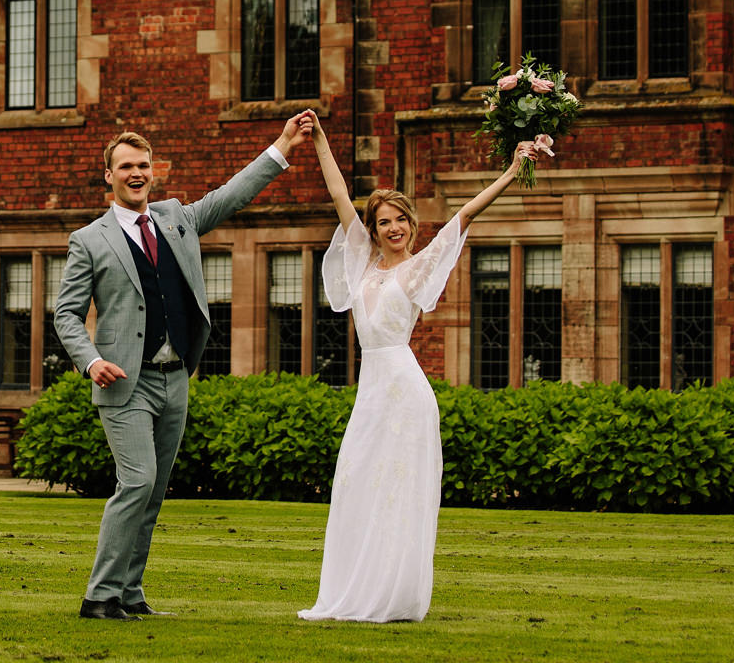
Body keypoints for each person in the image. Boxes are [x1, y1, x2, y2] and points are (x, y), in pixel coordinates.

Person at [55, 115, 314, 621]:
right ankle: (100, 596)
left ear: (154, 172)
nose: (137, 173)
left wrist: (283, 145)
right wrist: (90, 362)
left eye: (144, 165)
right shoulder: (89, 239)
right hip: (124, 382)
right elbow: (65, 313)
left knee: (151, 493)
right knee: (136, 481)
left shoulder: (177, 218)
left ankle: (130, 595)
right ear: (107, 175)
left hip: (176, 378)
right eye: (126, 166)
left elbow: (232, 194)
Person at [298, 111, 550, 623]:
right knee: (355, 483)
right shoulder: (362, 260)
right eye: (384, 221)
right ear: (373, 229)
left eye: (401, 220)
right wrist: (320, 139)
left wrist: (511, 168)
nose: (393, 228)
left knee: (396, 490)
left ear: (412, 226)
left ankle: (393, 597)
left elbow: (465, 217)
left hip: (405, 392)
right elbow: (339, 194)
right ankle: (354, 591)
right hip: (370, 393)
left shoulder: (419, 268)